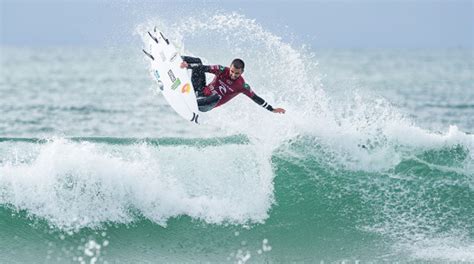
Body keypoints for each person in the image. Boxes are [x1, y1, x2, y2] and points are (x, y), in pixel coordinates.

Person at [180, 56, 286, 114]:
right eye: (232, 71)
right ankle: (174, 59)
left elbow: (256, 98)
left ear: (242, 72)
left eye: (237, 73)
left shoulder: (242, 86)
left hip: (205, 105)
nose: (233, 75)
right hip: (200, 91)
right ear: (229, 67)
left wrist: (272, 109)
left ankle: (191, 102)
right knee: (198, 62)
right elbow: (204, 68)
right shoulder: (221, 70)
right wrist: (188, 66)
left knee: (217, 96)